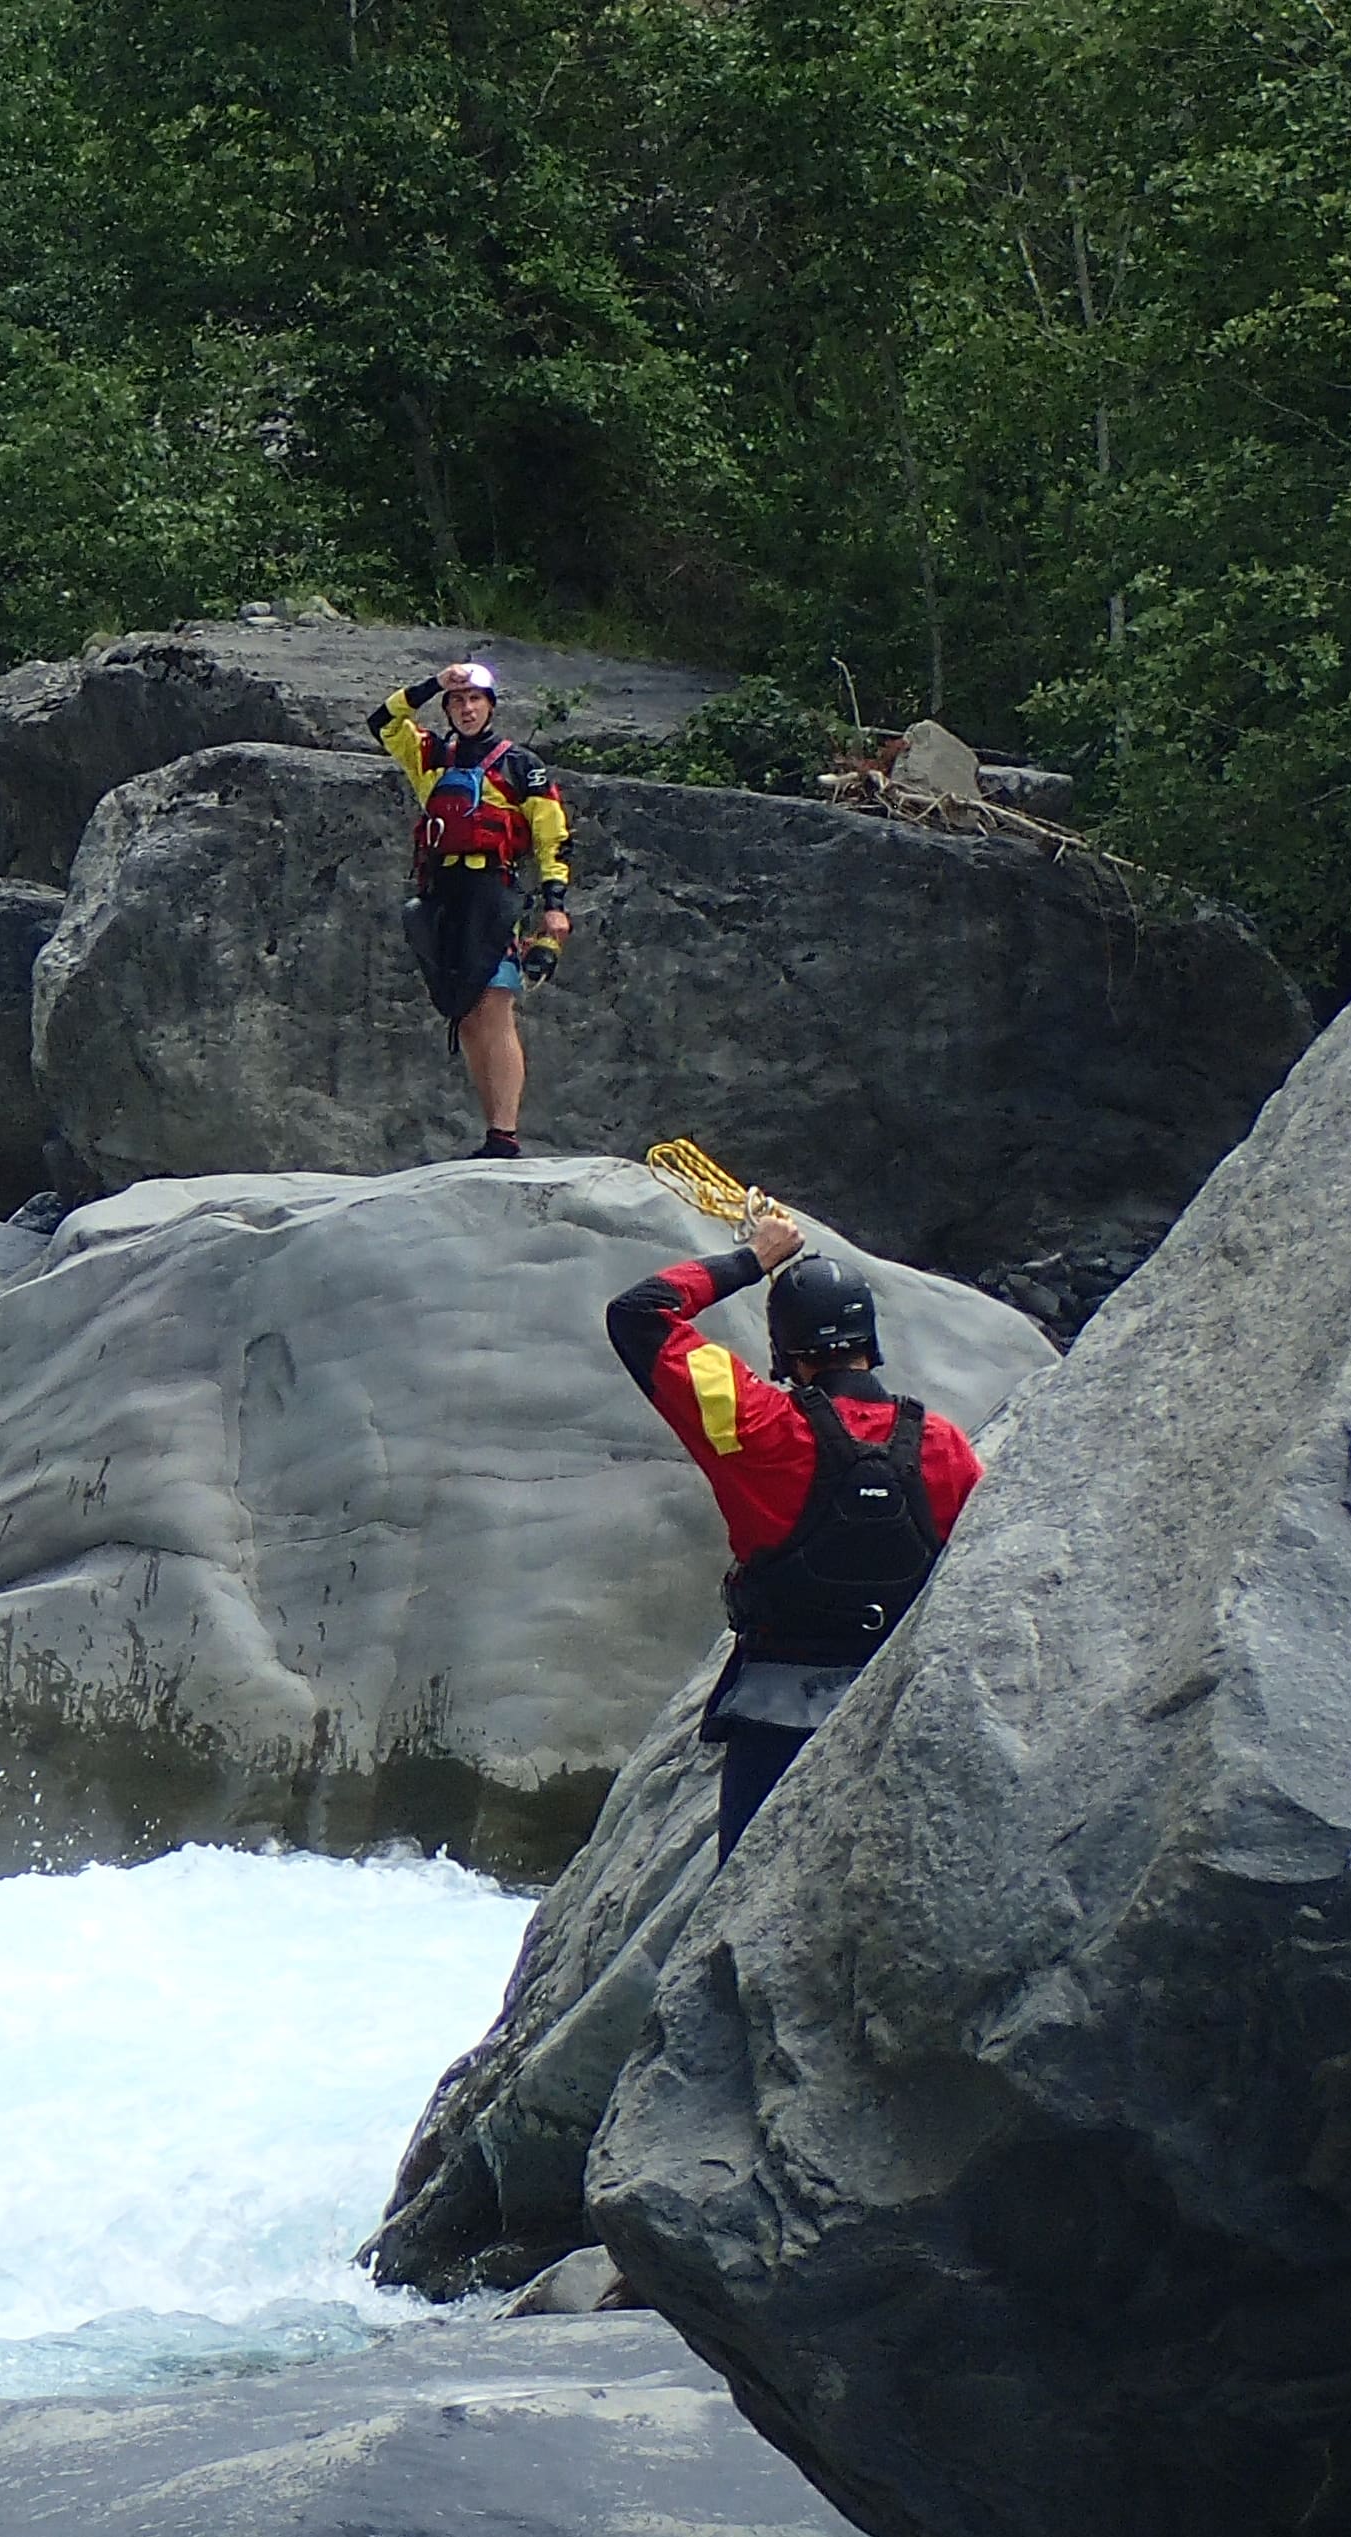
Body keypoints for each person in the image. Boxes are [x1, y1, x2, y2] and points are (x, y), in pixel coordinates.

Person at [607, 1206, 983, 1859]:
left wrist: (753, 1258)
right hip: (892, 1711)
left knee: (741, 1912)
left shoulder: (757, 1424)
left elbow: (640, 1313)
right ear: (870, 1342)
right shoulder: (944, 1445)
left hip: (774, 1713)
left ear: (786, 1352)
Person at [378, 661, 573, 1157]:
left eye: (475, 701)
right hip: (446, 889)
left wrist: (554, 905)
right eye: (457, 701)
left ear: (491, 706)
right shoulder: (431, 757)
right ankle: (493, 1133)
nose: (467, 709)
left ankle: (504, 1134)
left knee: (494, 1002)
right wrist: (432, 684)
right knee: (464, 1011)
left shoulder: (521, 766)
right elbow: (382, 721)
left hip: (492, 888)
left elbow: (552, 838)